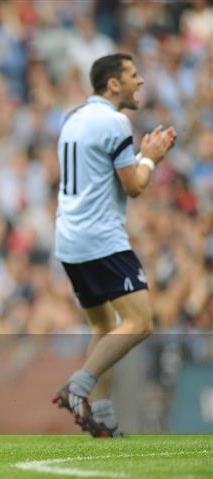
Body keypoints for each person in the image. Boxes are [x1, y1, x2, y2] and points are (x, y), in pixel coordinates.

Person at [51, 53, 176, 437]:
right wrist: (151, 158)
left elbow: (103, 174)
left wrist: (140, 157)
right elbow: (134, 186)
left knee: (104, 326)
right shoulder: (115, 121)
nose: (141, 82)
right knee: (139, 322)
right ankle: (79, 385)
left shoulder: (73, 118)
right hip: (101, 238)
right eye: (134, 76)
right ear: (113, 84)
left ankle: (101, 414)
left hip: (69, 238)